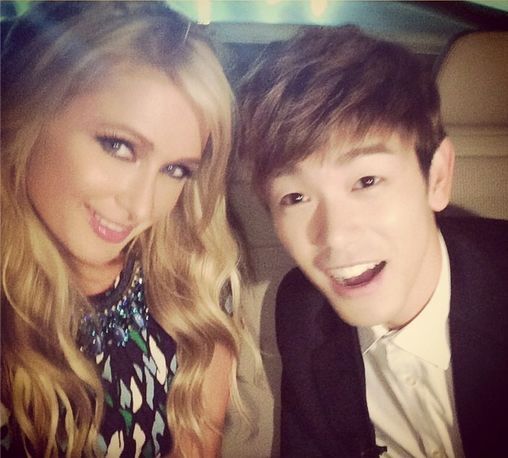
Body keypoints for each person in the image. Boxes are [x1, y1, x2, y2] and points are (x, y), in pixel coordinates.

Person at [239, 26, 508, 458]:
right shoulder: (302, 311)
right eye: (295, 198)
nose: (334, 236)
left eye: (366, 181)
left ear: (437, 177)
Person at [1, 2, 245, 456]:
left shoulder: (194, 286)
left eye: (175, 169)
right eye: (119, 146)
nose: (141, 207)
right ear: (26, 117)